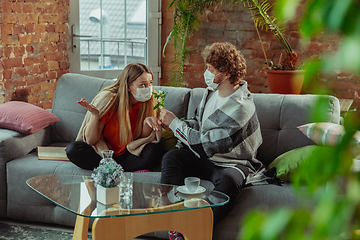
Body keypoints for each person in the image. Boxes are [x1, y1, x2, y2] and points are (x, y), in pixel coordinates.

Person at [159, 42, 264, 240]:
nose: (205, 73)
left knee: (229, 180)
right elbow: (199, 125)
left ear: (226, 73)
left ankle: (194, 229)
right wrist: (171, 123)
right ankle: (175, 222)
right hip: (204, 156)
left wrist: (175, 125)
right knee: (172, 158)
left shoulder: (241, 108)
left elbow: (209, 144)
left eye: (210, 69)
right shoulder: (210, 93)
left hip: (231, 162)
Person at [66, 63, 164, 172]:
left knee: (155, 150)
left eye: (150, 83)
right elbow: (90, 140)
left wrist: (147, 122)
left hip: (129, 153)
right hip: (103, 153)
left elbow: (142, 139)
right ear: (128, 86)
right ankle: (116, 168)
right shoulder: (109, 100)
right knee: (73, 149)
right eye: (142, 85)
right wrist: (95, 115)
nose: (148, 88)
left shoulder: (150, 101)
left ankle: (111, 170)